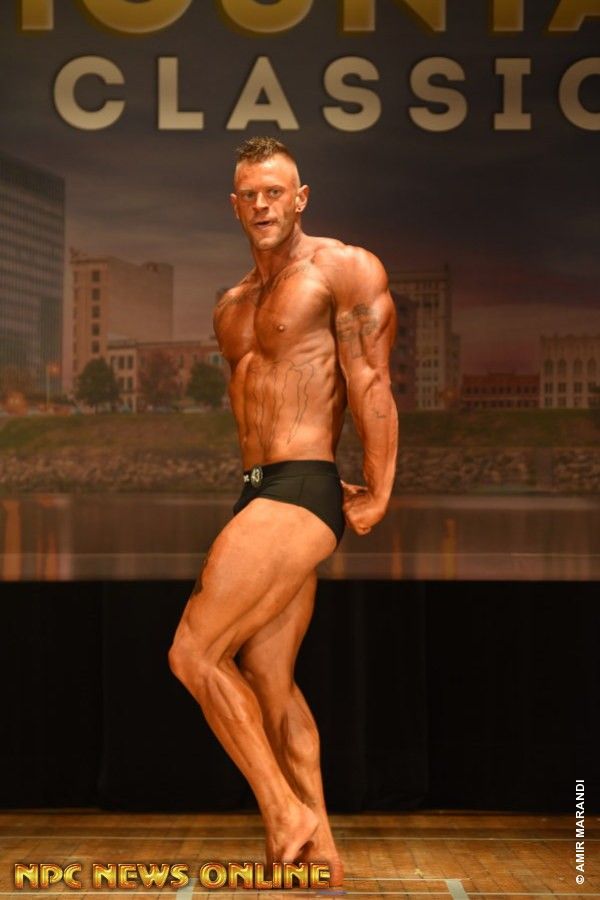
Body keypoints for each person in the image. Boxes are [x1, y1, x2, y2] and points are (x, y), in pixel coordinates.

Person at [169, 137, 398, 886]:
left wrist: (380, 486)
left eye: (276, 192)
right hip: (258, 486)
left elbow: (369, 380)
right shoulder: (231, 305)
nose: (263, 204)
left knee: (193, 653)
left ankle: (284, 812)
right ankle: (318, 851)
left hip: (303, 486)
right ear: (234, 205)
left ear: (301, 199)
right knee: (268, 682)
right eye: (250, 194)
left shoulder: (342, 268)